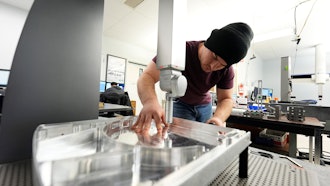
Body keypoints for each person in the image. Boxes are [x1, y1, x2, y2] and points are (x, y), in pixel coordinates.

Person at [132, 22, 254, 132]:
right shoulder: (180, 51)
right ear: (208, 44)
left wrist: (218, 118)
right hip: (181, 103)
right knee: (178, 141)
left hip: (205, 106)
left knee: (205, 141)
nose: (212, 66)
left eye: (221, 65)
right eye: (214, 57)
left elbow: (226, 99)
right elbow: (147, 76)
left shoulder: (227, 71)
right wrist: (150, 102)